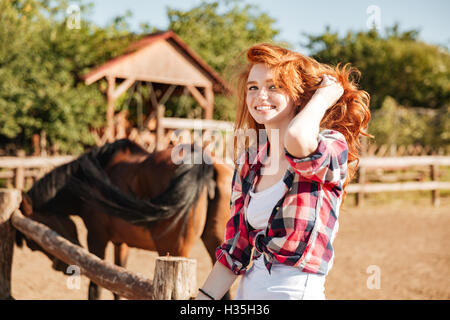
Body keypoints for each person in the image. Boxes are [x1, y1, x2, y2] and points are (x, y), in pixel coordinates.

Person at [196, 43, 371, 300]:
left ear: (299, 95)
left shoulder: (331, 145)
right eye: (253, 87)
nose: (260, 95)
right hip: (249, 292)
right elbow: (235, 250)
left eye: (274, 86)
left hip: (295, 292)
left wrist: (322, 97)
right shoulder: (249, 162)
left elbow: (297, 137)